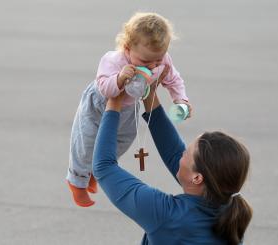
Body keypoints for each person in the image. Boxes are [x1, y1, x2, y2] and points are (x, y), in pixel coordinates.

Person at [92, 80, 253, 244]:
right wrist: (149, 93)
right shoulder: (229, 211)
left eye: (186, 153)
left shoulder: (167, 215)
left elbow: (103, 167)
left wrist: (114, 100)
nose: (180, 154)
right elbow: (174, 153)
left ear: (197, 178)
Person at [66, 12, 193, 207]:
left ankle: (93, 171)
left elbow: (173, 79)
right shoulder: (113, 60)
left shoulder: (161, 59)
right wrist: (118, 79)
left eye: (157, 61)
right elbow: (104, 88)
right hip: (98, 106)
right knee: (86, 142)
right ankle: (76, 182)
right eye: (145, 62)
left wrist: (181, 100)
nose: (152, 66)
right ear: (127, 47)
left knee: (123, 140)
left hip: (127, 109)